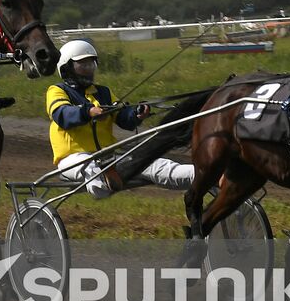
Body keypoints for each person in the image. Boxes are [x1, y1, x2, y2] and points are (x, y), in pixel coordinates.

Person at [45, 40, 193, 198]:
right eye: (83, 65)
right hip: (73, 159)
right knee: (91, 169)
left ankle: (205, 174)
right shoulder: (57, 90)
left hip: (108, 157)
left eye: (91, 64)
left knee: (153, 163)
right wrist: (88, 112)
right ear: (67, 68)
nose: (88, 70)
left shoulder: (103, 93)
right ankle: (105, 182)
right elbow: (62, 114)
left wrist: (136, 114)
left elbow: (124, 117)